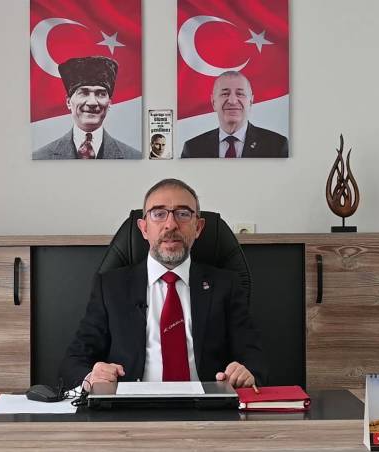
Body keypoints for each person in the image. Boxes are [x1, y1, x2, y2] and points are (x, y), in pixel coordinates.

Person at [59, 179, 266, 389]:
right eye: (158, 214)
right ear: (144, 228)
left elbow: (254, 358)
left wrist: (246, 373)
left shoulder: (226, 285)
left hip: (207, 404)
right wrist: (91, 377)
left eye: (183, 214)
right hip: (130, 405)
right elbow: (73, 362)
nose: (171, 225)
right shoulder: (111, 287)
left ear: (198, 227)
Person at [32, 56, 141, 160]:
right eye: (84, 93)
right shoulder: (40, 157)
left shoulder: (133, 157)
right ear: (68, 102)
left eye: (101, 94)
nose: (92, 102)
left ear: (109, 103)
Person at [181, 71, 288, 158]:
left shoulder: (277, 146)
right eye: (225, 94)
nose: (232, 101)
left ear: (251, 101)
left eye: (240, 94)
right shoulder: (192, 148)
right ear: (213, 102)